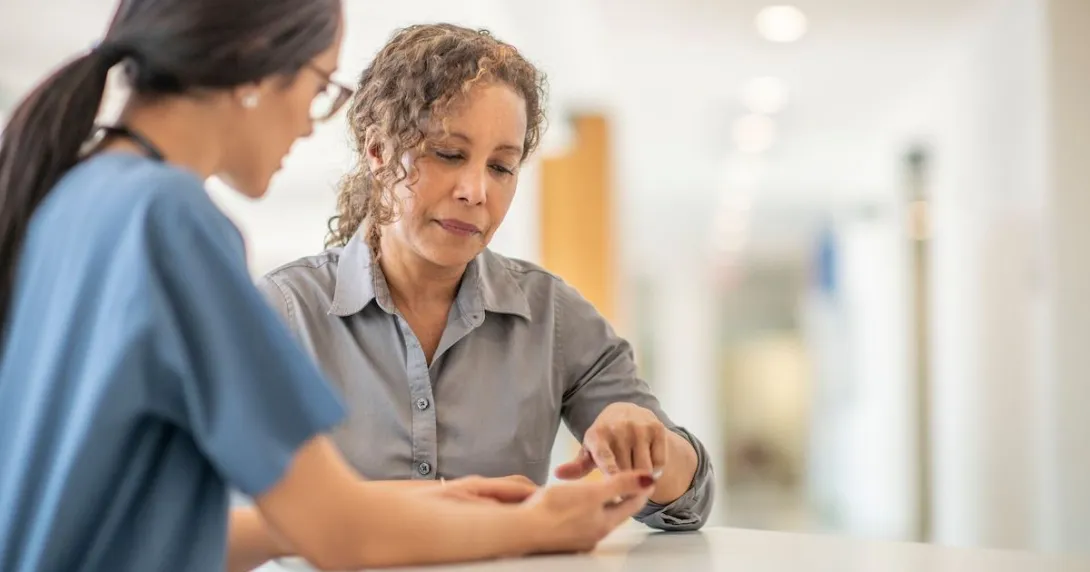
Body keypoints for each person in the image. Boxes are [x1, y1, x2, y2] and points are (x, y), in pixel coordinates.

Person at [0, 3, 659, 572]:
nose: (309, 124)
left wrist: (422, 502)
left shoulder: (77, 195)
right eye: (320, 87)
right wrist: (548, 521)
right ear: (257, 61)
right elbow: (341, 535)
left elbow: (130, 534)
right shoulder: (171, 221)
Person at [254, 23, 715, 544]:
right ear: (378, 150)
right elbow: (243, 513)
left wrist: (649, 445)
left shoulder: (553, 316)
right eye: (449, 154)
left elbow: (687, 505)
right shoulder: (283, 314)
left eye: (501, 167)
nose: (476, 191)